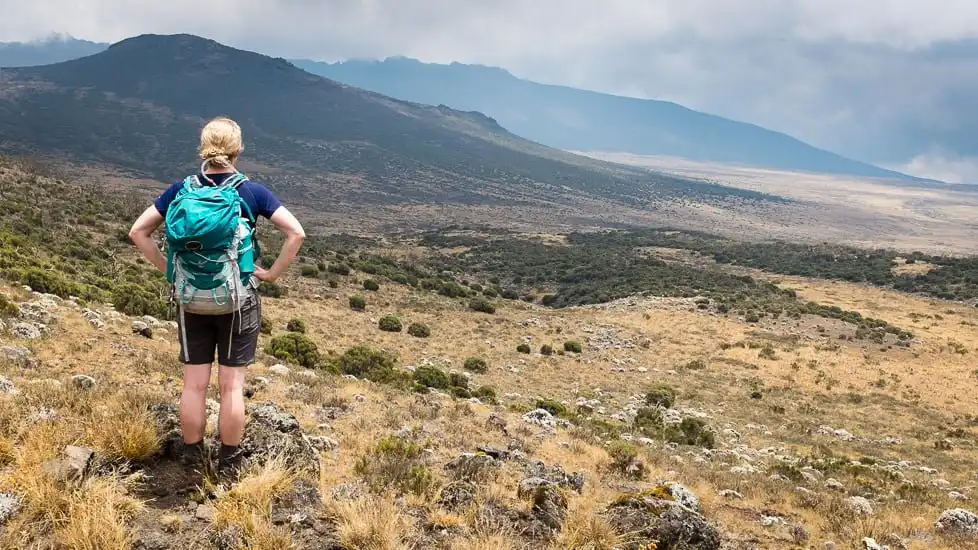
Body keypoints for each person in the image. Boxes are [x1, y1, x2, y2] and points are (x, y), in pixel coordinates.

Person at [128, 117, 305, 476]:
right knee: (232, 386)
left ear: (203, 147)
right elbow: (296, 234)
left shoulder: (181, 190)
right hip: (239, 299)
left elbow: (138, 231)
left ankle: (192, 458)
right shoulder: (251, 192)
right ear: (238, 150)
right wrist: (270, 273)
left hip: (191, 299)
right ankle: (228, 462)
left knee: (194, 384)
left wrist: (170, 271)